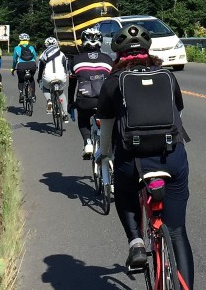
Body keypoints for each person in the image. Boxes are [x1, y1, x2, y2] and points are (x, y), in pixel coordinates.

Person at [96, 24, 193, 287]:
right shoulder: (167, 76)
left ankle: (136, 242)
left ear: (118, 54)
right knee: (177, 232)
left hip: (133, 161)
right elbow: (178, 116)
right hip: (171, 158)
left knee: (124, 192)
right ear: (147, 52)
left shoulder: (113, 81)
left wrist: (104, 155)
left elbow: (106, 129)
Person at [67, 26, 113, 158]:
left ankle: (87, 142)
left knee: (83, 119)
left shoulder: (75, 60)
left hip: (85, 100)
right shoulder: (108, 59)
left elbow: (72, 85)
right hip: (105, 101)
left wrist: (71, 103)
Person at [36, 37, 69, 117]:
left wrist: (39, 78)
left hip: (48, 77)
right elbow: (66, 67)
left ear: (46, 45)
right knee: (61, 93)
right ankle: (65, 114)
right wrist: (66, 74)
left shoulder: (43, 54)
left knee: (45, 88)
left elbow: (40, 68)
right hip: (61, 76)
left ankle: (49, 100)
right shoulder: (61, 54)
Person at [11, 33, 39, 102]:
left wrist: (13, 68)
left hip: (21, 66)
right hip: (32, 65)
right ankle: (33, 96)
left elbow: (14, 60)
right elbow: (35, 57)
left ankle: (21, 94)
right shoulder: (31, 47)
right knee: (31, 79)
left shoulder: (17, 48)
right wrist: (36, 66)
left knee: (21, 80)